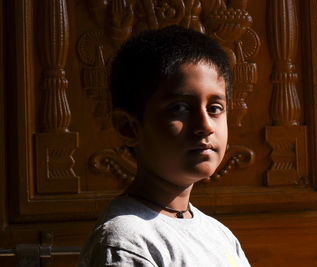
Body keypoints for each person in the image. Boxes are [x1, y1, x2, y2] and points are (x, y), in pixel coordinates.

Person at [78, 25, 250, 267]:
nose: (205, 126)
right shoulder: (127, 242)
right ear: (128, 127)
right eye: (180, 108)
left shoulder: (220, 236)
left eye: (214, 108)